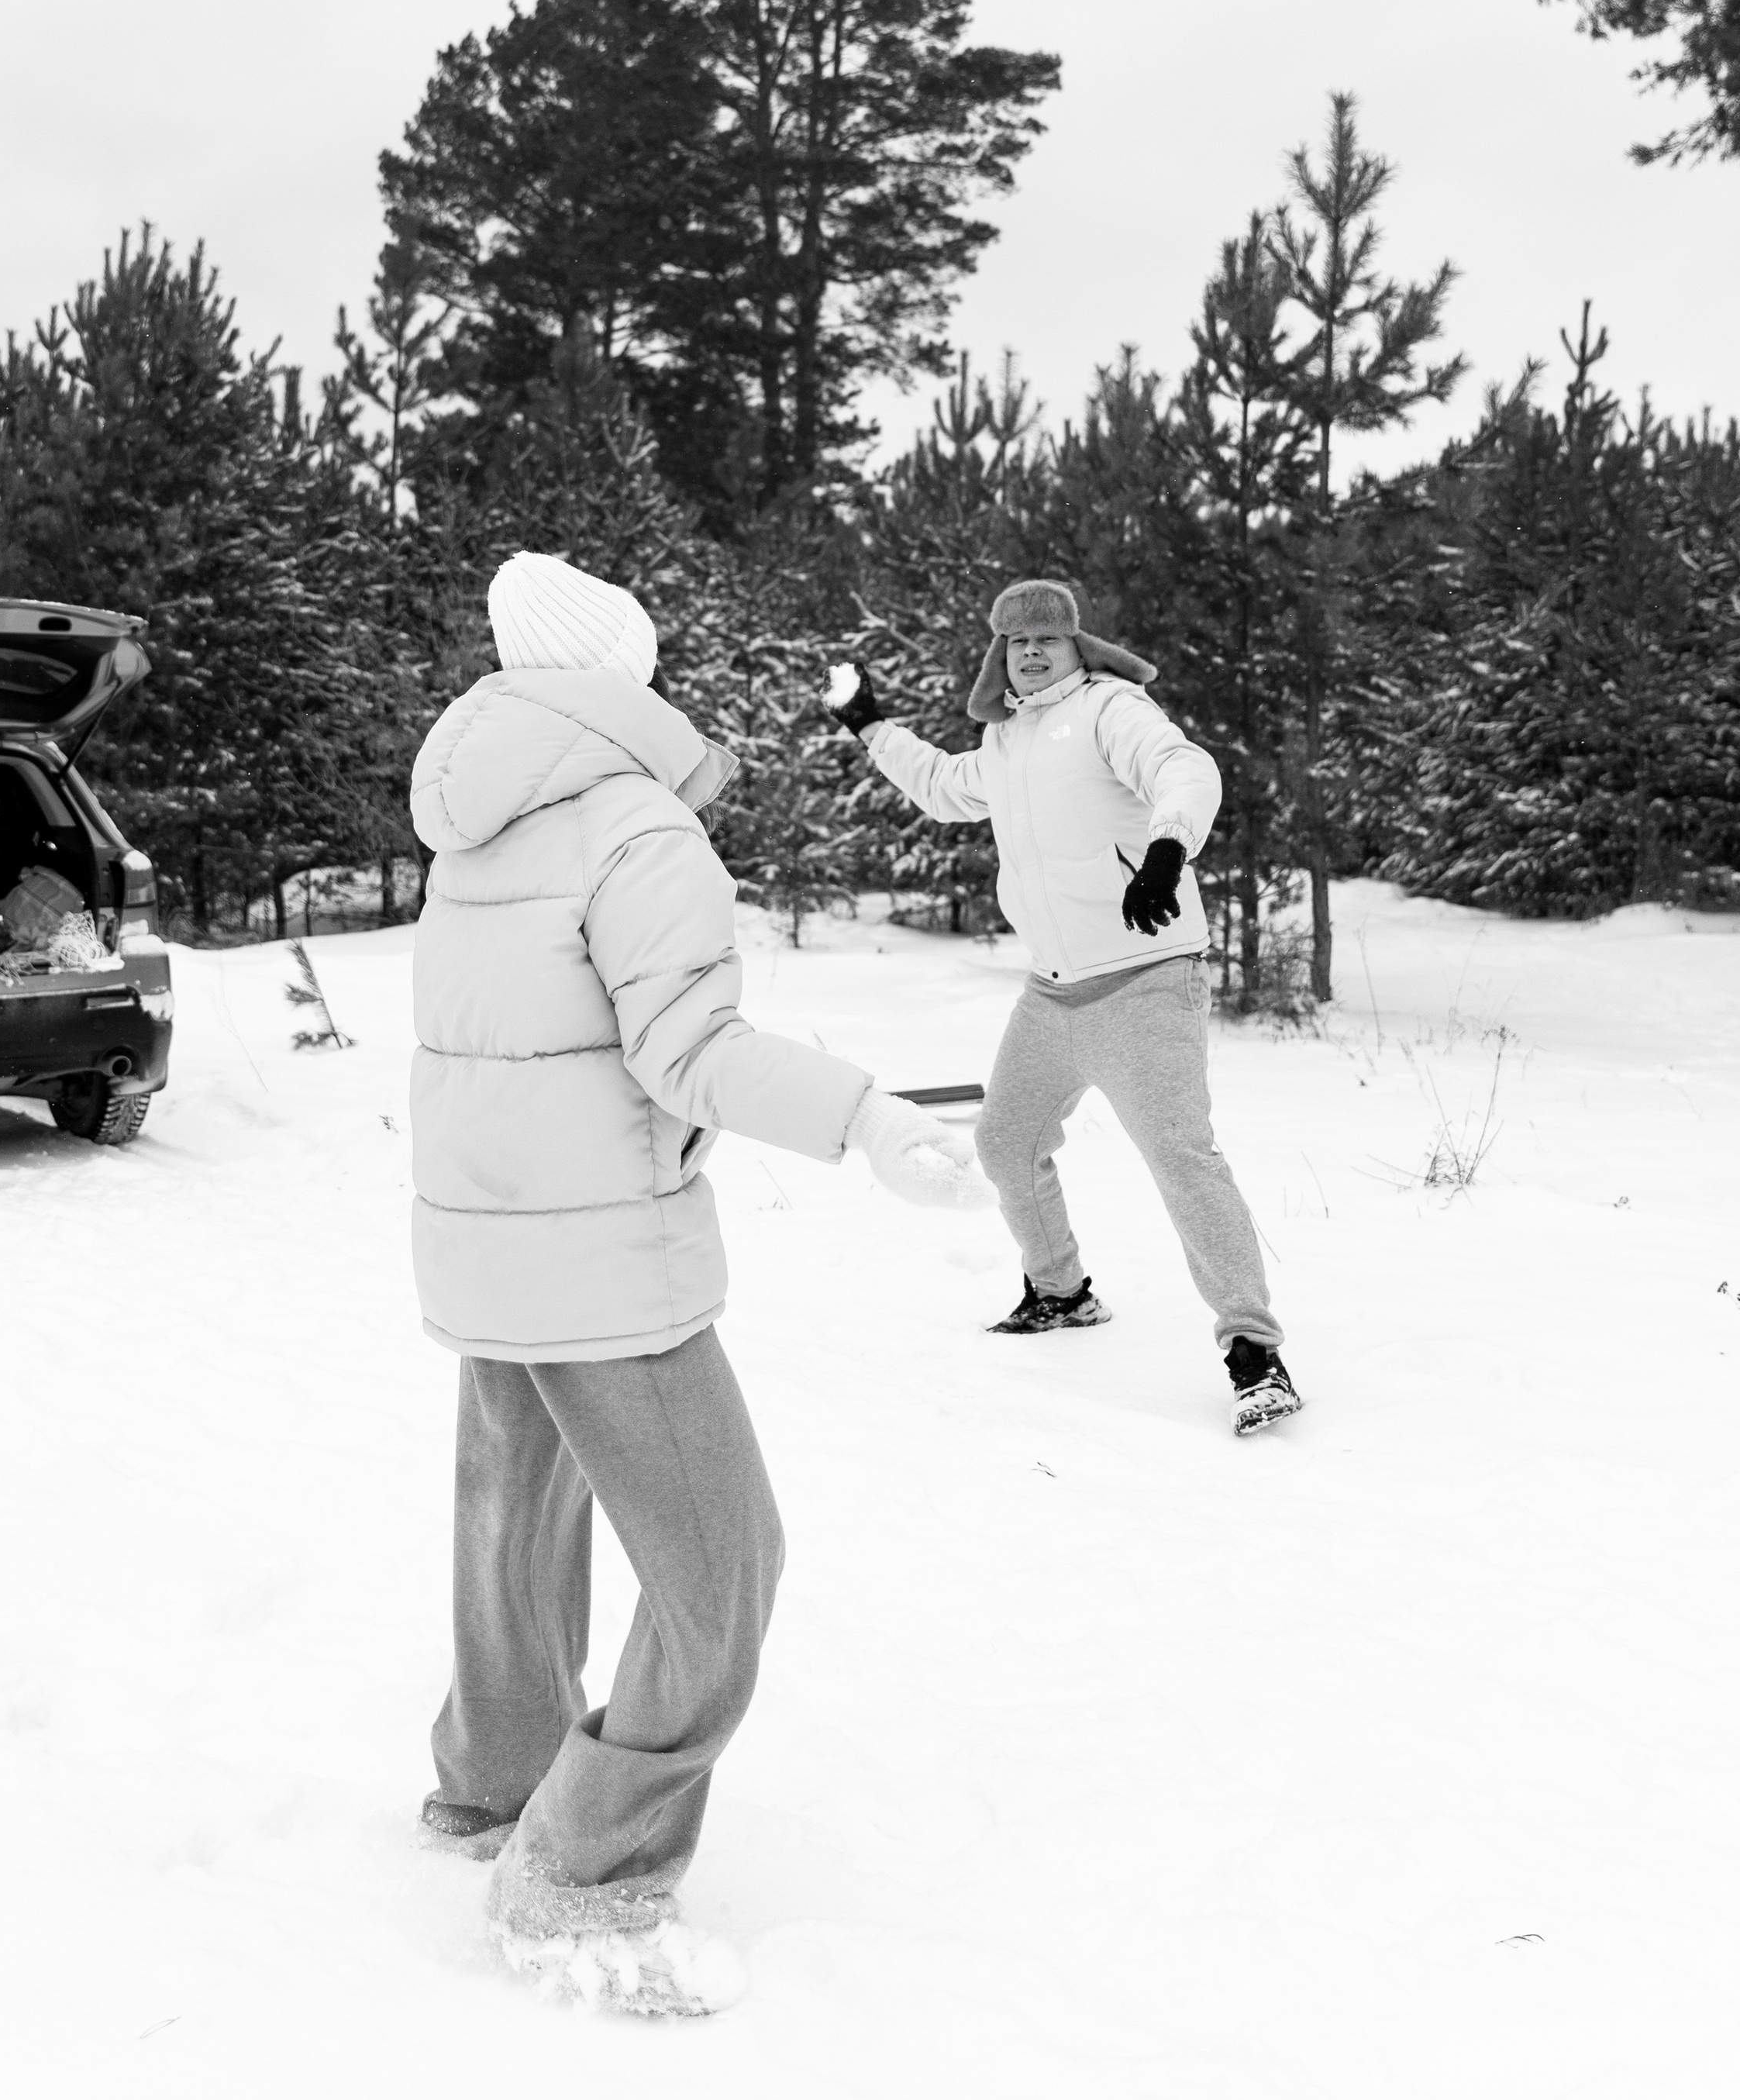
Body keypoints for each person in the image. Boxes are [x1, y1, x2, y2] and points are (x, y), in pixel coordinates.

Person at [409, 550, 968, 2018]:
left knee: (511, 1521)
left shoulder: (472, 821)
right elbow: (687, 1051)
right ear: (616, 678)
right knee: (724, 1569)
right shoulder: (636, 828)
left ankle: (492, 1789)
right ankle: (579, 1870)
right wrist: (863, 1116)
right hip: (601, 1262)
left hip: (490, 1241)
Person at [826, 576, 1303, 1440]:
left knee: (1180, 1158)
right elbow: (941, 786)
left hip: (1148, 977)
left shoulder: (1109, 710)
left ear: (1077, 645)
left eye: (1048, 637)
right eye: (1017, 641)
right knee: (1005, 1141)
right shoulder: (1004, 742)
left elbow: (1182, 767)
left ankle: (1253, 1354)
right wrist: (870, 725)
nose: (1033, 651)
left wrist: (1167, 847)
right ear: (999, 655)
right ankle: (1059, 1293)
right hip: (1052, 991)